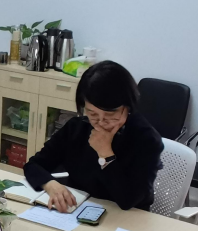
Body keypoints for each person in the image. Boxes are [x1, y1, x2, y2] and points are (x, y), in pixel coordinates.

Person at [24, 60, 163, 212]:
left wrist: (105, 154)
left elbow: (128, 200)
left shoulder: (146, 139)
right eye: (92, 113)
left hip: (128, 218)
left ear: (128, 107)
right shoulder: (77, 128)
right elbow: (33, 165)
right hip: (79, 210)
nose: (101, 122)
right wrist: (50, 184)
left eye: (110, 114)